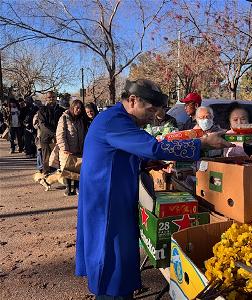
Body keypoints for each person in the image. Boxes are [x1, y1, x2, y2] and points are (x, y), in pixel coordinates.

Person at [75, 79, 232, 299]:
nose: (154, 115)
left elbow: (119, 156)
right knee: (110, 256)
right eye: (151, 109)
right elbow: (154, 147)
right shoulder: (114, 120)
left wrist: (145, 164)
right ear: (132, 100)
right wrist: (202, 144)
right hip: (107, 201)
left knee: (119, 255)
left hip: (113, 195)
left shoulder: (117, 118)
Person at [56, 99, 86, 196]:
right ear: (72, 107)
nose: (79, 110)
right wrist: (64, 148)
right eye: (77, 108)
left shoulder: (81, 120)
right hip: (67, 149)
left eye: (81, 108)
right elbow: (60, 134)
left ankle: (76, 187)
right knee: (67, 168)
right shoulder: (64, 118)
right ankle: (68, 188)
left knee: (77, 168)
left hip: (78, 148)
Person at [37, 91, 65, 174]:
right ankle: (47, 178)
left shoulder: (61, 110)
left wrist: (59, 135)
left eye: (53, 97)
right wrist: (54, 134)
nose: (51, 99)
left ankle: (60, 178)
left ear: (56, 97)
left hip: (60, 137)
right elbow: (43, 125)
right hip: (46, 138)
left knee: (60, 158)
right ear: (46, 98)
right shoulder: (42, 110)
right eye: (49, 97)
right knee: (47, 159)